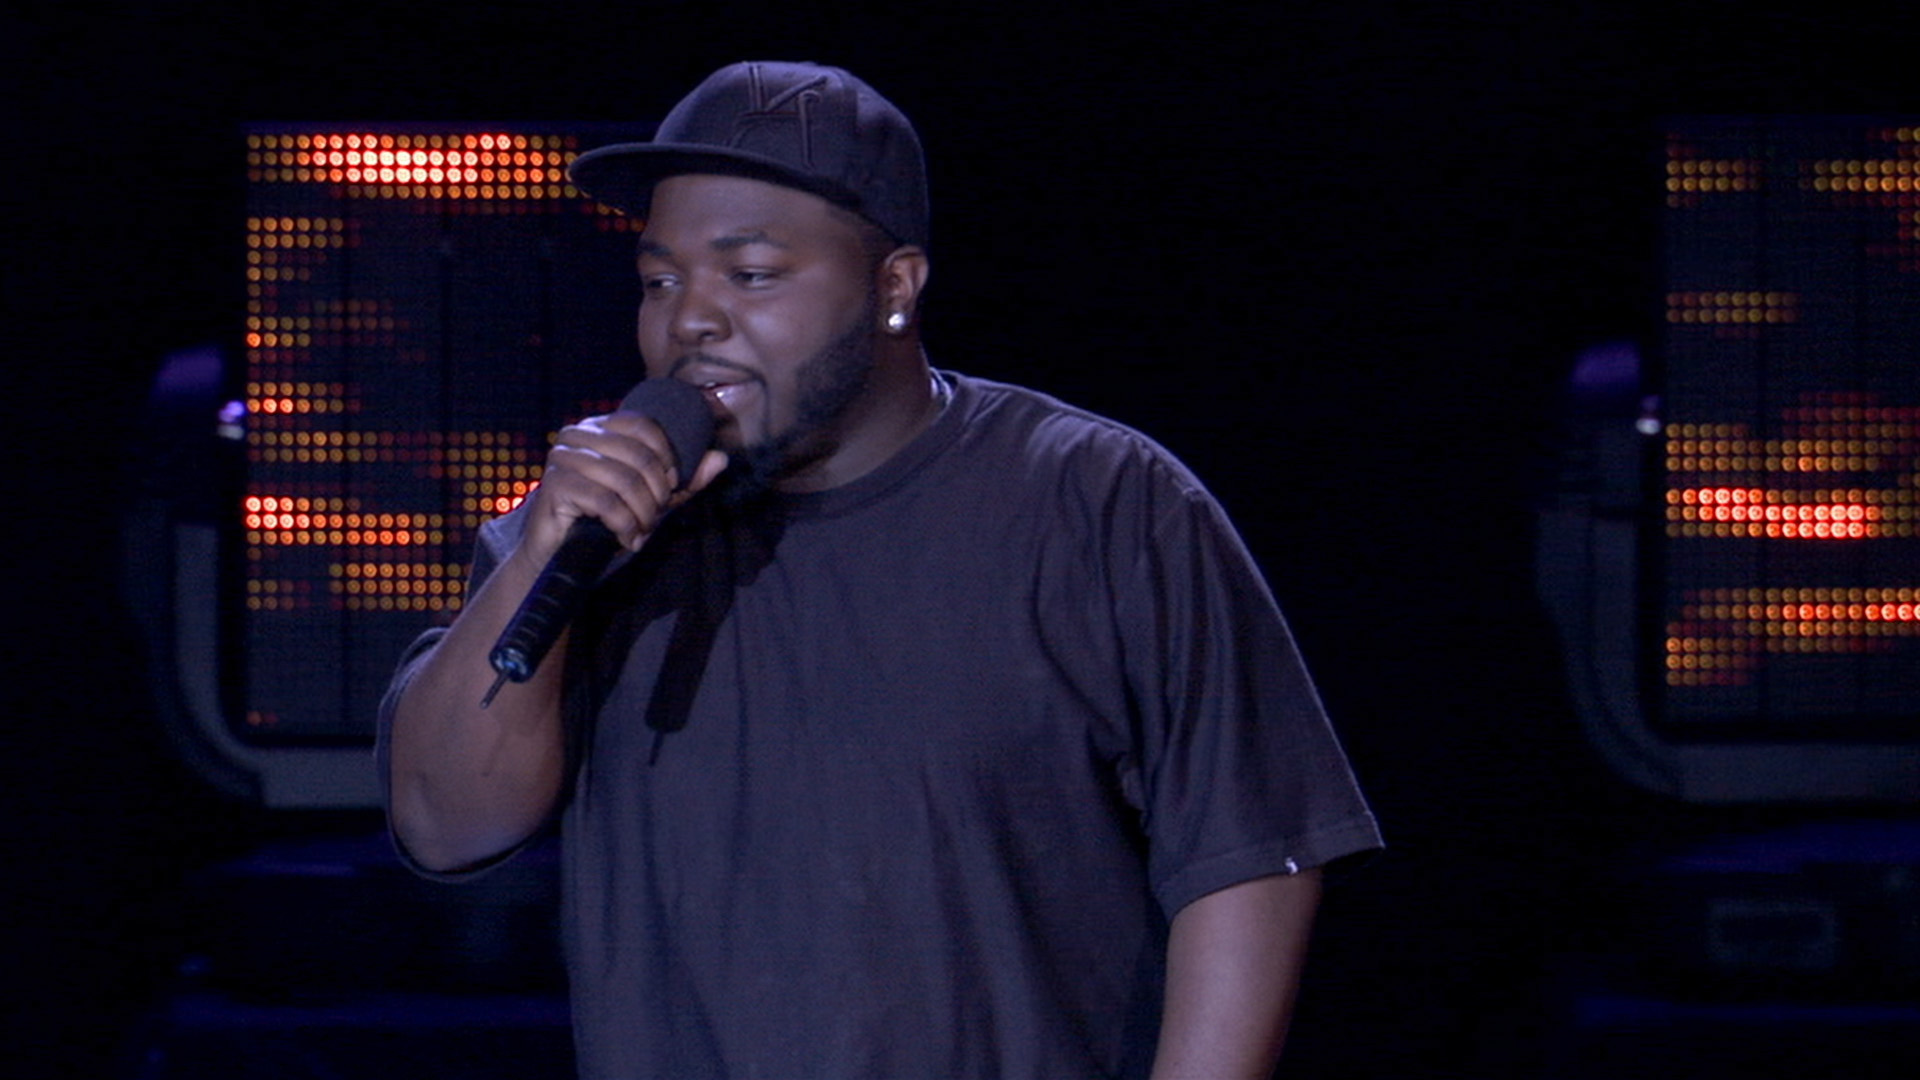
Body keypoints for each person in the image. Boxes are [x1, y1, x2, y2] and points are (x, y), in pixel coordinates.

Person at [380, 60, 1380, 1079]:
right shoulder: (588, 530)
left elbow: (1250, 855)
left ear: (894, 287)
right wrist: (543, 555)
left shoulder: (1098, 500)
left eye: (750, 274)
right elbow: (444, 824)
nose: (691, 321)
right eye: (660, 281)